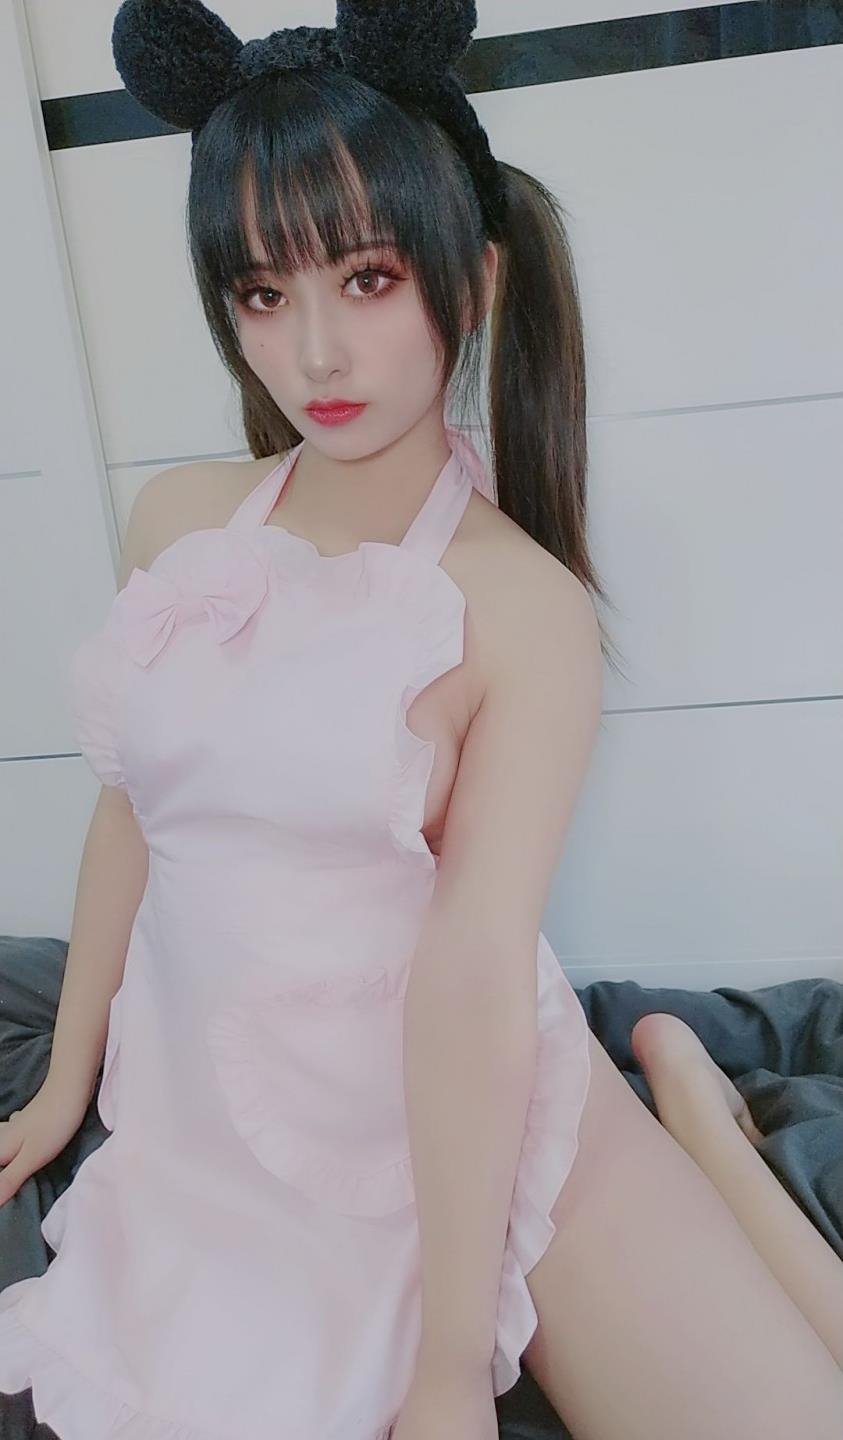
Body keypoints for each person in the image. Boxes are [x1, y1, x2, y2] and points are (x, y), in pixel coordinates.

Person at [1, 3, 841, 1438]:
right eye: (263, 293)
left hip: (471, 1105)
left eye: (369, 277)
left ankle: (693, 1109)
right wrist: (69, 1073)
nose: (317, 351)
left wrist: (453, 1360)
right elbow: (135, 800)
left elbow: (470, 969)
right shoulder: (181, 520)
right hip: (227, 1115)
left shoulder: (522, 609)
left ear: (475, 276)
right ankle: (691, 1112)